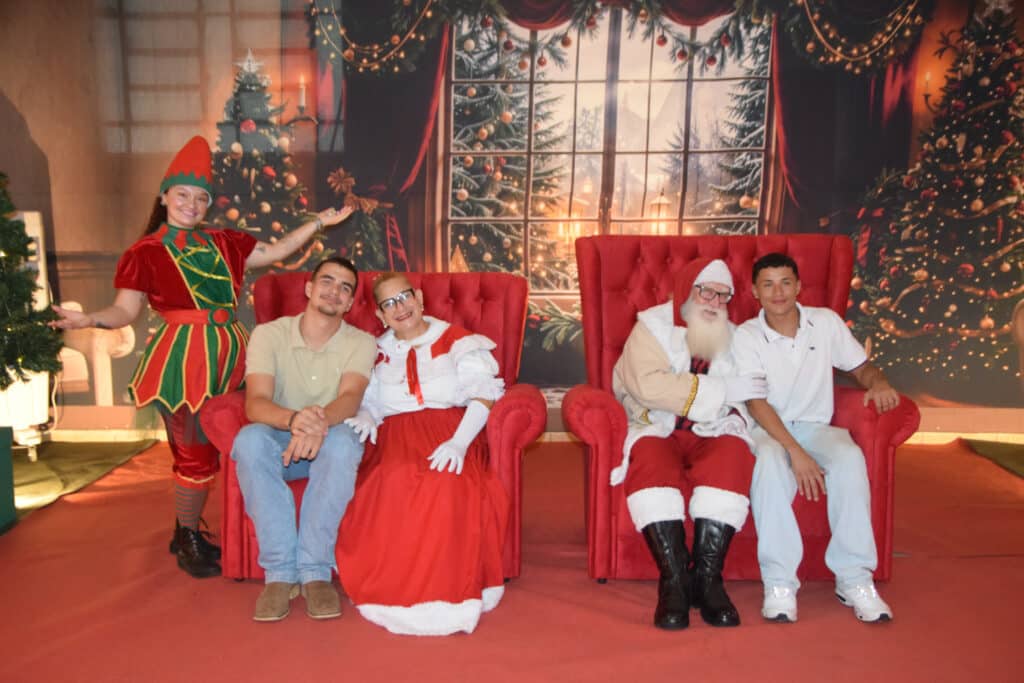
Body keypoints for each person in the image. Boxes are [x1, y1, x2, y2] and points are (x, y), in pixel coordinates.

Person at [50, 136, 354, 579]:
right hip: (183, 362)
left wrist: (319, 222)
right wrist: (92, 319)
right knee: (193, 453)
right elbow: (126, 310)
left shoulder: (225, 242)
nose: (191, 205)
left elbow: (276, 251)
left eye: (200, 198)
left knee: (242, 441)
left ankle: (204, 531)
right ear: (164, 197)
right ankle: (187, 535)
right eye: (182, 195)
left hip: (233, 356)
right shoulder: (145, 252)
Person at [731, 252, 901, 624]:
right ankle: (779, 583)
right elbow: (756, 403)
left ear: (798, 286)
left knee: (849, 458)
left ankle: (854, 579)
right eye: (768, 285)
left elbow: (861, 367)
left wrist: (879, 382)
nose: (778, 292)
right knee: (770, 463)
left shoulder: (824, 322)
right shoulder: (746, 335)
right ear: (755, 291)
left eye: (785, 282)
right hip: (767, 429)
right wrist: (796, 452)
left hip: (815, 426)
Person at [336, 272, 509, 636]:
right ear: (380, 315)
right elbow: (368, 397)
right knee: (391, 480)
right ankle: (394, 589)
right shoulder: (376, 351)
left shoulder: (456, 339)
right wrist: (366, 413)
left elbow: (484, 393)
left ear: (418, 297)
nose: (400, 308)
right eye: (389, 304)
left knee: (445, 483)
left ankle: (448, 593)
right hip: (395, 435)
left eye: (404, 297)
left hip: (450, 431)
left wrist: (460, 442)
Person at [612, 257, 768, 630]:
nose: (714, 302)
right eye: (706, 292)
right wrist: (721, 389)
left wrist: (734, 398)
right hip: (659, 424)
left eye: (723, 296)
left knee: (733, 456)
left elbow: (752, 387)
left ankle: (708, 579)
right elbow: (648, 386)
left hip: (713, 427)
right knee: (650, 463)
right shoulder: (652, 327)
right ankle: (675, 581)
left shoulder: (737, 337)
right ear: (687, 291)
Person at [231, 256, 375, 622]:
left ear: (350, 302)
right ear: (309, 288)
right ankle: (280, 574)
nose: (335, 291)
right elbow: (255, 402)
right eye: (327, 281)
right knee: (249, 440)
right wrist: (295, 421)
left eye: (345, 287)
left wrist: (317, 425)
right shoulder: (269, 334)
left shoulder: (362, 342)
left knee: (344, 442)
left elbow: (350, 398)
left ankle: (315, 572)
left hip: (329, 436)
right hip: (282, 437)